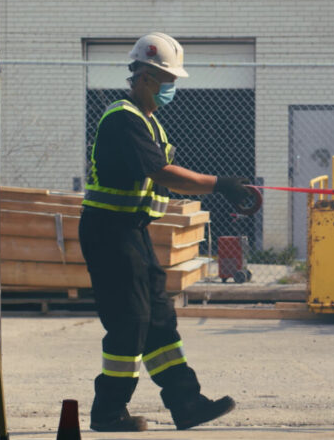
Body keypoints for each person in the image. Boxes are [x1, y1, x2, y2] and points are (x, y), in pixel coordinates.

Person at [79, 32, 251, 432]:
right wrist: (220, 184)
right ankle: (108, 411)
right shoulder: (123, 118)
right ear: (142, 77)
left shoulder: (147, 121)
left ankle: (186, 403)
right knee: (132, 320)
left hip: (131, 232)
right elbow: (164, 175)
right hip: (110, 233)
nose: (171, 87)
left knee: (158, 318)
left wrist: (218, 185)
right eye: (165, 78)